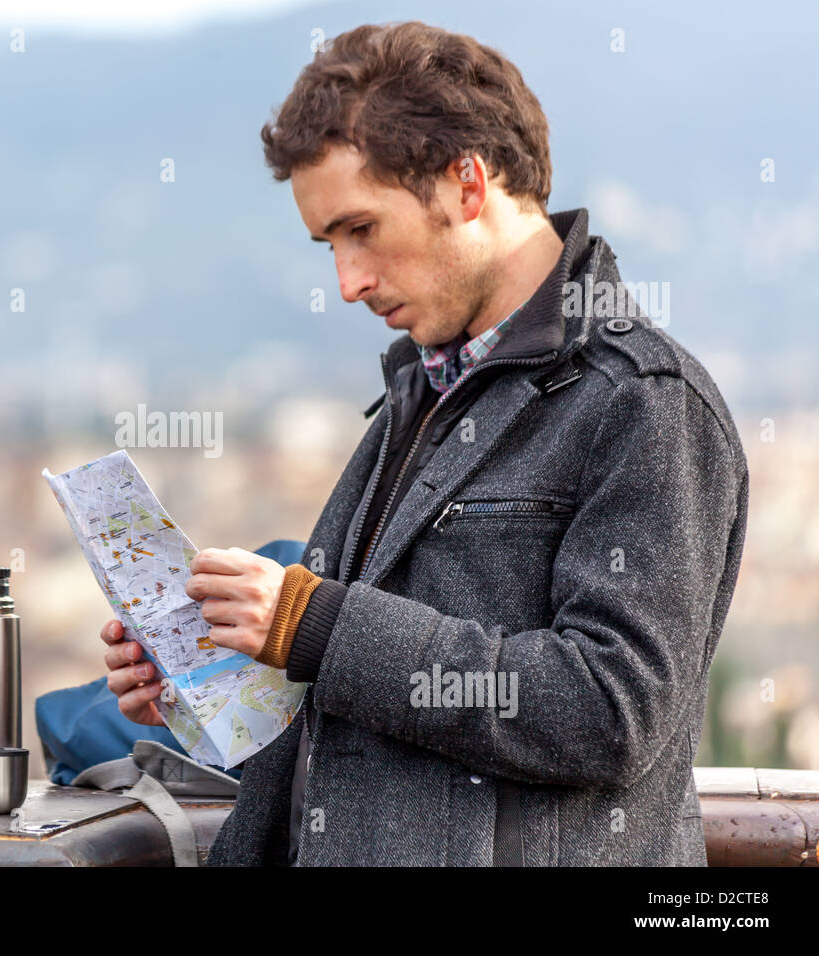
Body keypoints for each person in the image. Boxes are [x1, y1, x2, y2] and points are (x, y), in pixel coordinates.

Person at [99, 20, 748, 866]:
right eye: (329, 243)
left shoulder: (645, 403)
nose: (347, 282)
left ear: (467, 184)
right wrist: (202, 687)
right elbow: (374, 710)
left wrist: (308, 621)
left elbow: (609, 711)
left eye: (360, 229)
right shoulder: (420, 395)